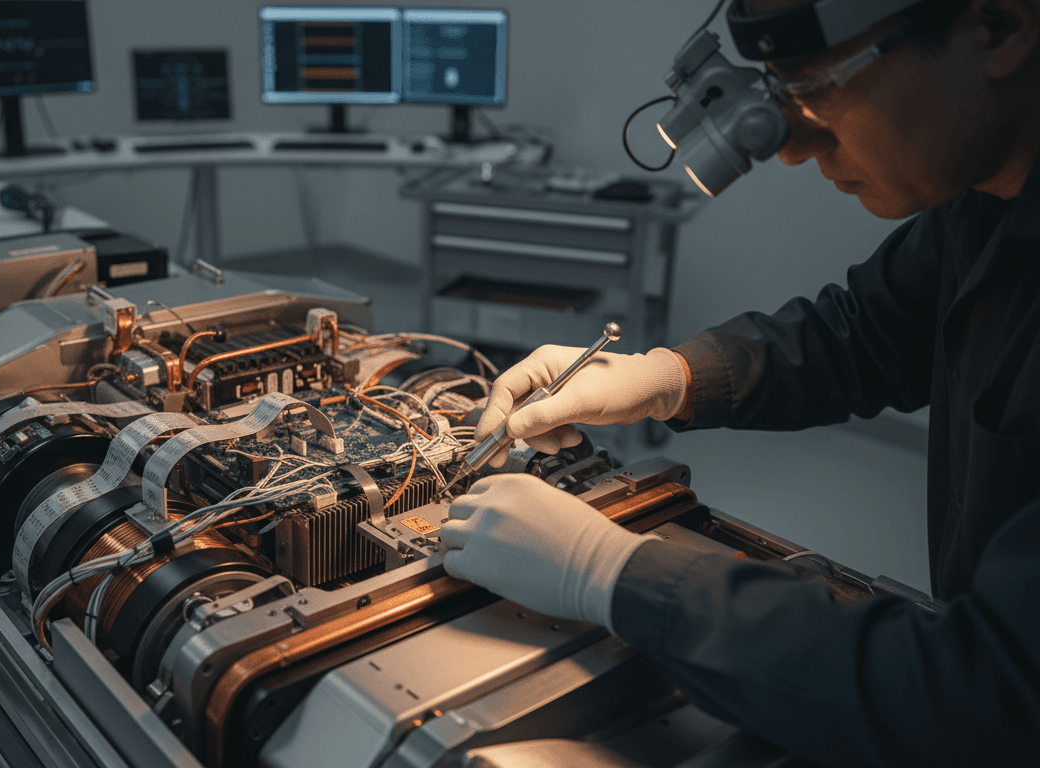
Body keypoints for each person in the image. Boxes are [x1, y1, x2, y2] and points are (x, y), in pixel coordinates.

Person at [438, 0, 1040, 764]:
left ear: (998, 28)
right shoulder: (985, 202)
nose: (794, 146)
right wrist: (666, 378)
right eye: (780, 101)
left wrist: (614, 574)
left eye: (818, 90)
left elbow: (992, 692)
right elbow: (866, 332)